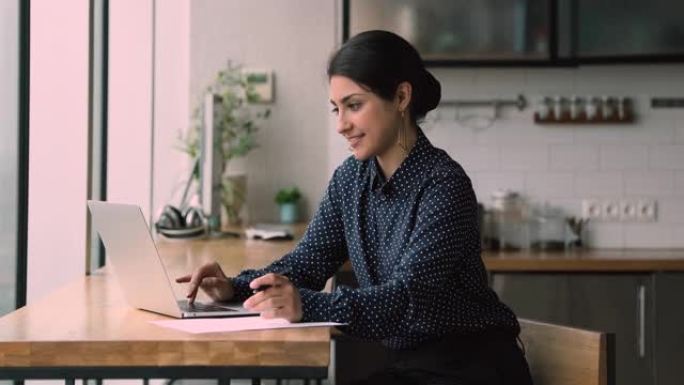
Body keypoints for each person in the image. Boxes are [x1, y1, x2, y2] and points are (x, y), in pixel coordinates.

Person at [176, 30, 532, 385]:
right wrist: (236, 289)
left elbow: (407, 298)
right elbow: (307, 263)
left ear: (401, 96)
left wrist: (306, 305)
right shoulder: (351, 179)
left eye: (354, 105)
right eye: (336, 108)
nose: (341, 125)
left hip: (475, 368)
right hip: (410, 367)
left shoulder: (444, 185)